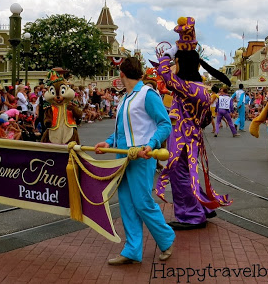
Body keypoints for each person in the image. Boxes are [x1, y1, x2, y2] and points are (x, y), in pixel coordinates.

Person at [94, 57, 175, 265]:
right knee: (127, 203)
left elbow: (165, 124)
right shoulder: (125, 99)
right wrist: (108, 142)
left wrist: (152, 144)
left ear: (121, 74)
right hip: (122, 156)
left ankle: (166, 238)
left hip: (141, 157)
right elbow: (122, 131)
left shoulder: (147, 94)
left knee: (142, 202)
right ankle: (132, 249)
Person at [156, 17, 231, 230]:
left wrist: (168, 55)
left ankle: (191, 215)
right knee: (189, 173)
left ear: (182, 64)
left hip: (181, 139)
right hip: (193, 137)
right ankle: (203, 207)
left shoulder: (185, 87)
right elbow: (207, 119)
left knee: (179, 175)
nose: (173, 66)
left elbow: (163, 74)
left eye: (175, 63)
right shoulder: (202, 89)